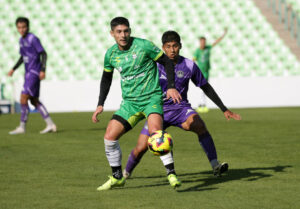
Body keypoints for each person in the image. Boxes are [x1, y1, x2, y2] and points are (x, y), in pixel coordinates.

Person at [123, 31, 241, 188]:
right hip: (157, 111)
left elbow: (205, 86)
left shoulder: (189, 65)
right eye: (168, 47)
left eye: (175, 46)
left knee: (200, 126)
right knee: (141, 148)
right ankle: (125, 173)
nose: (172, 50)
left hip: (181, 109)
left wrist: (224, 109)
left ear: (180, 46)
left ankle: (215, 166)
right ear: (163, 48)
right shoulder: (154, 65)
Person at [92, 17, 181, 191]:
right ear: (112, 33)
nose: (123, 35)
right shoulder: (110, 54)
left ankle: (171, 173)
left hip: (151, 99)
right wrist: (100, 103)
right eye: (118, 32)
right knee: (109, 136)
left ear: (130, 31)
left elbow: (167, 62)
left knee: (156, 133)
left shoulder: (144, 45)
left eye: (126, 31)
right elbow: (106, 78)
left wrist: (171, 87)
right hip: (130, 103)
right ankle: (117, 177)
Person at [8, 17, 56, 135]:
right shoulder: (21, 40)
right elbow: (22, 57)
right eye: (19, 27)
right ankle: (51, 124)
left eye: (24, 27)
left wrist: (43, 70)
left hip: (34, 72)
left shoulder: (33, 38)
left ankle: (22, 127)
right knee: (34, 101)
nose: (21, 29)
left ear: (28, 27)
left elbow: (43, 53)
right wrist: (13, 69)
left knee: (23, 97)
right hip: (28, 73)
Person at [193, 28, 227, 113]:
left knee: (205, 88)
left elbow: (216, 42)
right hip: (200, 72)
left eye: (204, 42)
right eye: (201, 42)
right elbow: (193, 59)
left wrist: (223, 34)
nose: (203, 43)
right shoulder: (197, 51)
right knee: (204, 88)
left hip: (206, 72)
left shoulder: (208, 48)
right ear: (200, 42)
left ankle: (202, 104)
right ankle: (202, 104)